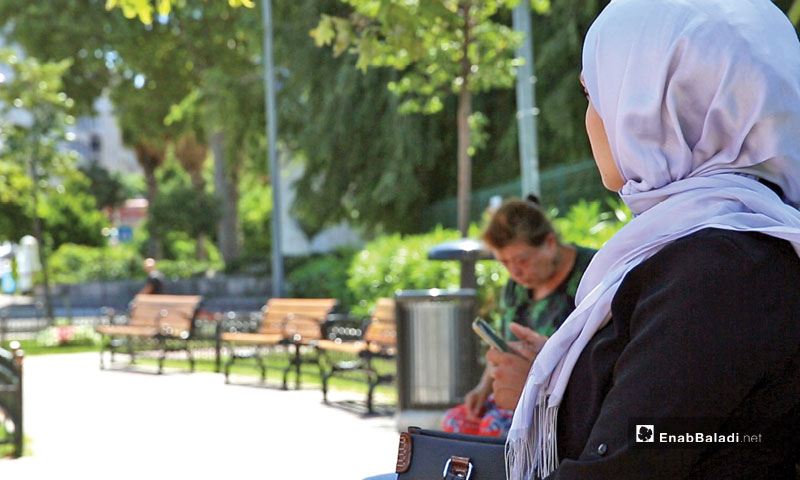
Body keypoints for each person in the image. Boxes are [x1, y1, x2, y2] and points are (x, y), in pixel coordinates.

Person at [506, 1, 800, 478]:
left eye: (594, 93)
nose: (593, 118)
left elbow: (630, 462)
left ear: (654, 103)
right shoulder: (722, 249)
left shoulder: (719, 271)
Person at [441, 197, 596, 437]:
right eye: (504, 262)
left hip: (569, 403)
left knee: (496, 428)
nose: (515, 272)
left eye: (522, 260)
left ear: (550, 243)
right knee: (455, 422)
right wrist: (483, 388)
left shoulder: (593, 274)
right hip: (516, 393)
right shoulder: (515, 287)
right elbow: (503, 346)